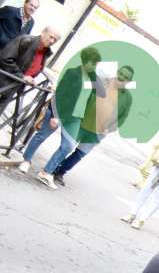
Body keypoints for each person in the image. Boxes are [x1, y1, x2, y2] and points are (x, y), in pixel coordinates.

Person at [40, 62, 135, 188]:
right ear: (117, 72)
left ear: (128, 81)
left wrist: (110, 128)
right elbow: (83, 94)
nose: (121, 77)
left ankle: (60, 172)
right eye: (120, 73)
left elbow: (123, 116)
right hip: (82, 122)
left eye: (125, 77)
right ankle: (48, 171)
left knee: (79, 154)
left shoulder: (127, 97)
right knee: (66, 147)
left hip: (99, 131)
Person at [17, 44, 97, 177]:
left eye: (96, 64)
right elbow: (59, 94)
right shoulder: (72, 73)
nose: (94, 66)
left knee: (68, 146)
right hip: (59, 113)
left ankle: (46, 172)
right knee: (41, 135)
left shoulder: (93, 78)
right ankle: (26, 160)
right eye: (93, 63)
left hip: (75, 117)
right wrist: (55, 115)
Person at [0, 26, 57, 116]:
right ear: (43, 33)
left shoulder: (46, 52)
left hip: (13, 86)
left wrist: (30, 79)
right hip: (3, 81)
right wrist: (22, 76)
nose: (52, 41)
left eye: (55, 40)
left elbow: (32, 67)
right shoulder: (26, 40)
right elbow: (5, 58)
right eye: (51, 37)